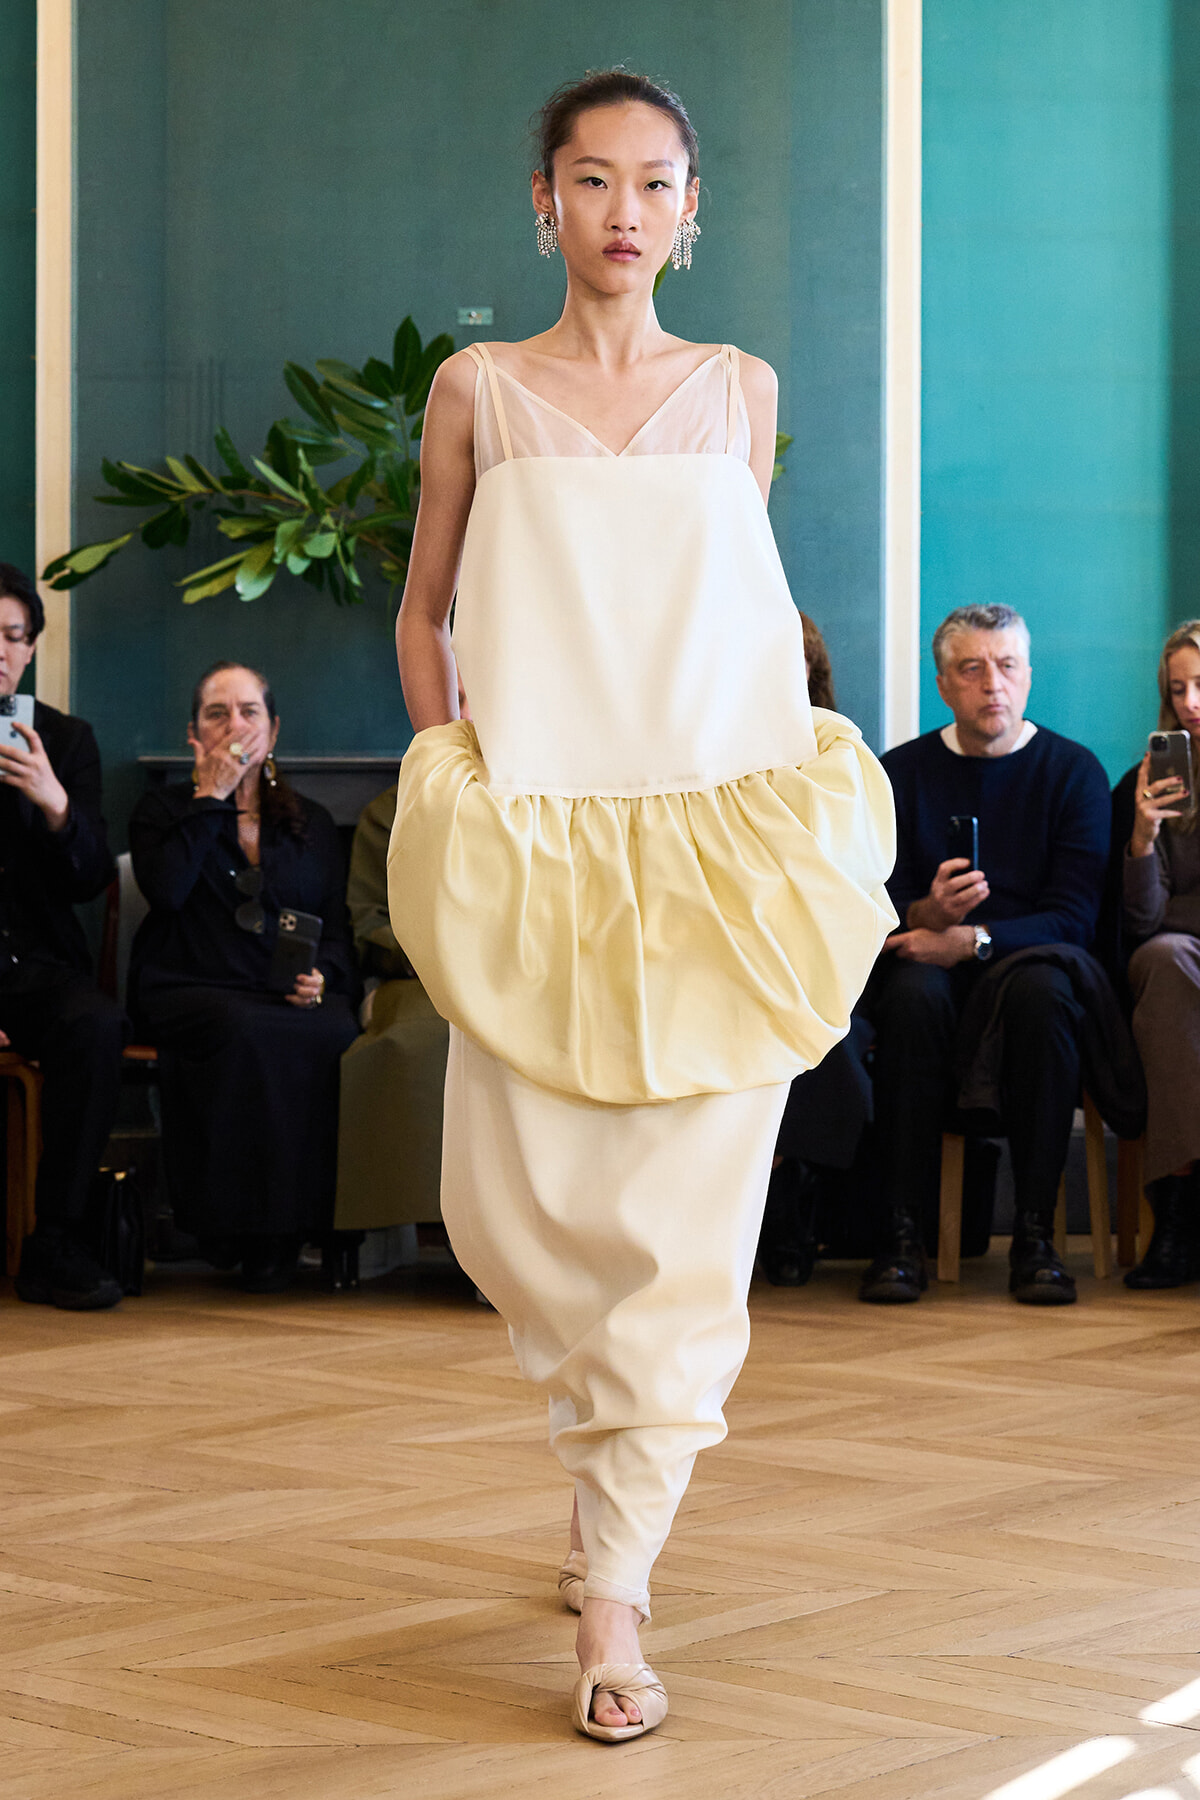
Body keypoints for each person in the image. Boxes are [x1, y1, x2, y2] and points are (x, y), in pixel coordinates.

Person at [387, 71, 896, 1740]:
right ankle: (603, 1477)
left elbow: (739, 618)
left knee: (686, 1245)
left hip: (714, 863)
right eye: (592, 180)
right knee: (520, 1209)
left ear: (691, 210)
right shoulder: (477, 389)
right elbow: (426, 612)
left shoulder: (742, 391)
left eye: (656, 183)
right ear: (545, 201)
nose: (624, 211)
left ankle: (617, 1592)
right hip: (540, 849)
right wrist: (458, 776)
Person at [860, 603, 1111, 1307]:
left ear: (1028, 677)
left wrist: (972, 940)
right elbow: (870, 903)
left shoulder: (1073, 772)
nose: (991, 685)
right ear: (943, 684)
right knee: (910, 996)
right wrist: (924, 913)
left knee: (1043, 995)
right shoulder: (899, 773)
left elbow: (1076, 918)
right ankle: (900, 1235)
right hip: (925, 975)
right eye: (972, 669)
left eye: (1006, 667)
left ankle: (1035, 1236)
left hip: (1031, 973)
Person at [127, 662, 359, 1292]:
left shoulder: (308, 822)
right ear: (193, 736)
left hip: (282, 992)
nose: (235, 725)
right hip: (187, 987)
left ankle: (311, 1230)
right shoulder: (161, 809)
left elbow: (337, 927)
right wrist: (211, 800)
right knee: (243, 1031)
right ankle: (239, 1232)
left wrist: (324, 974)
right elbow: (169, 892)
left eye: (249, 711)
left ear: (273, 730)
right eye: (217, 713)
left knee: (335, 1029)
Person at [0, 562, 126, 1310]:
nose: (1, 651)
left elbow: (87, 880)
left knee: (97, 1024)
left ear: (32, 649)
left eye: (15, 637)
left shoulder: (67, 740)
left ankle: (58, 1240)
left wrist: (54, 803)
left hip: (39, 966)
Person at [1121, 620, 1200, 1286]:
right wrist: (1144, 836)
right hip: (1182, 956)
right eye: (1178, 690)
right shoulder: (1149, 782)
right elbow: (1145, 920)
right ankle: (1176, 1212)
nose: (1191, 703)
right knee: (1164, 962)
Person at [334, 782, 448, 1234]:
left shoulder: (530, 798)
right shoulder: (388, 811)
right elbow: (368, 922)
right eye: (459, 705)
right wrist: (441, 950)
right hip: (416, 975)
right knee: (420, 1040)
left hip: (516, 974)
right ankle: (422, 1227)